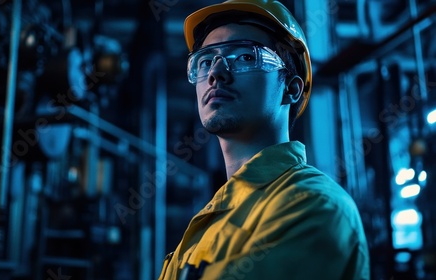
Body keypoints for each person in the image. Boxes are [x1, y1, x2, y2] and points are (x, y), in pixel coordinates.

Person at [159, 0, 370, 279]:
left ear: (291, 89)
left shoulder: (312, 205)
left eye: (246, 57)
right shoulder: (213, 218)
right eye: (206, 61)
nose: (215, 74)